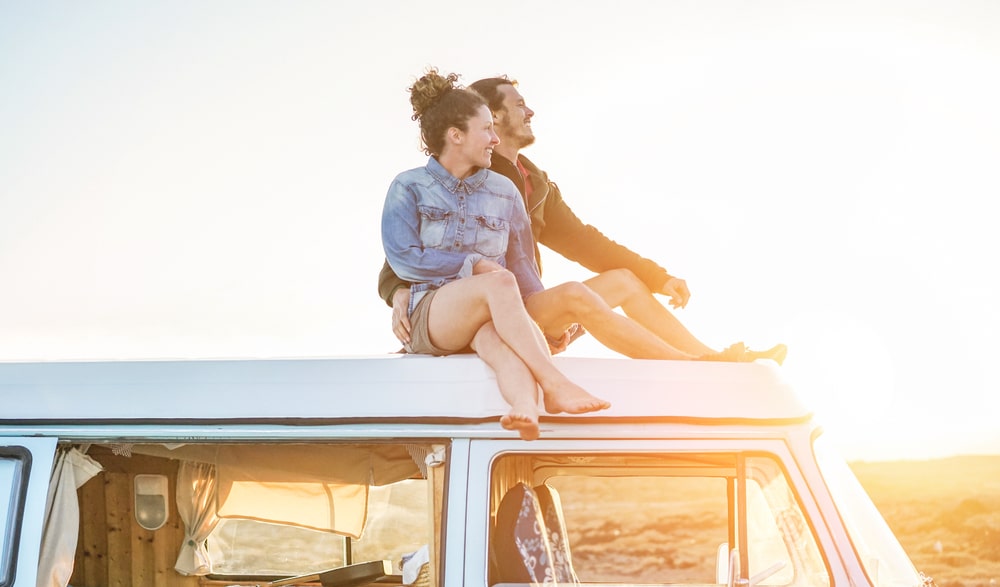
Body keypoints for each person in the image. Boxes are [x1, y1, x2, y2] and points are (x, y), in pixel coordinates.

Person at [379, 75, 786, 364]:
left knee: (625, 280)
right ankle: (695, 369)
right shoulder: (466, 174)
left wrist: (657, 277)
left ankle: (710, 359)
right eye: (519, 104)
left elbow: (585, 242)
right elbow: (411, 244)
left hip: (527, 301)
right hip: (486, 310)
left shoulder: (532, 182)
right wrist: (398, 289)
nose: (530, 110)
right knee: (576, 295)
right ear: (494, 119)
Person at [381, 69, 610, 441]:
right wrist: (472, 264)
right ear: (456, 135)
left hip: (484, 313)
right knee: (496, 279)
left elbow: (523, 267)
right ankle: (554, 383)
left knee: (499, 346)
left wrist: (541, 326)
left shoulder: (504, 191)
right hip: (430, 314)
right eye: (486, 129)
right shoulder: (409, 186)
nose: (494, 138)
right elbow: (404, 259)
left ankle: (524, 407)